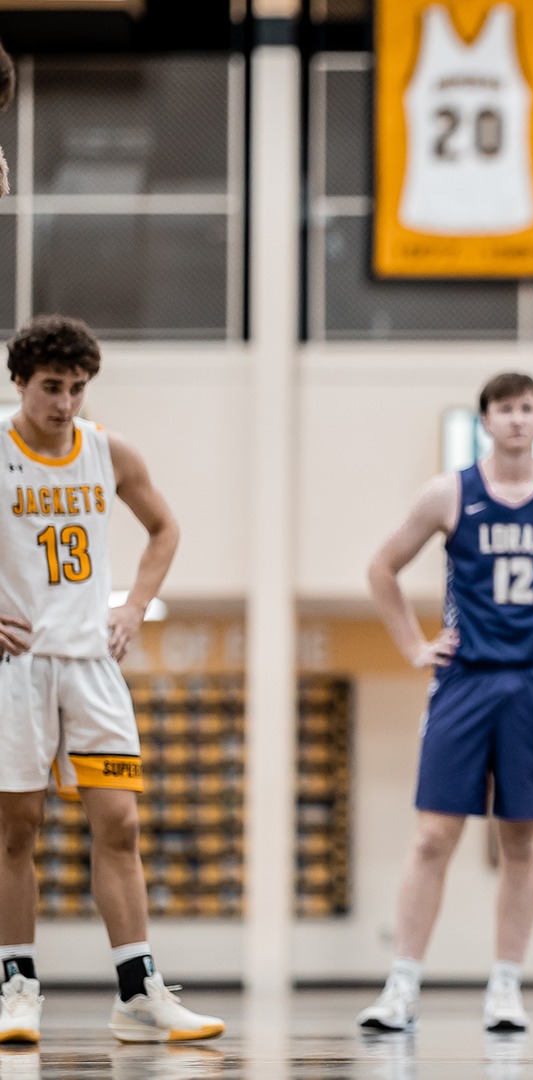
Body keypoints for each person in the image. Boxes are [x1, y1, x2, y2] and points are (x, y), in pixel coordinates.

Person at [356, 372, 533, 1034]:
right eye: (505, 408)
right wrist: (412, 645)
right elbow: (381, 567)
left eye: (527, 408)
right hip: (463, 679)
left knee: (521, 838)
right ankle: (402, 985)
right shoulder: (450, 493)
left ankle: (506, 986)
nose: (517, 418)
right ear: (485, 420)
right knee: (433, 835)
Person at [0, 314, 222, 1044]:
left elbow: (165, 528)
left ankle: (137, 994)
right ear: (20, 383)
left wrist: (133, 605)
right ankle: (16, 988)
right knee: (16, 828)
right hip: (16, 664)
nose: (65, 403)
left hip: (91, 663)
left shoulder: (108, 451)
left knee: (120, 824)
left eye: (77, 388)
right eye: (51, 387)